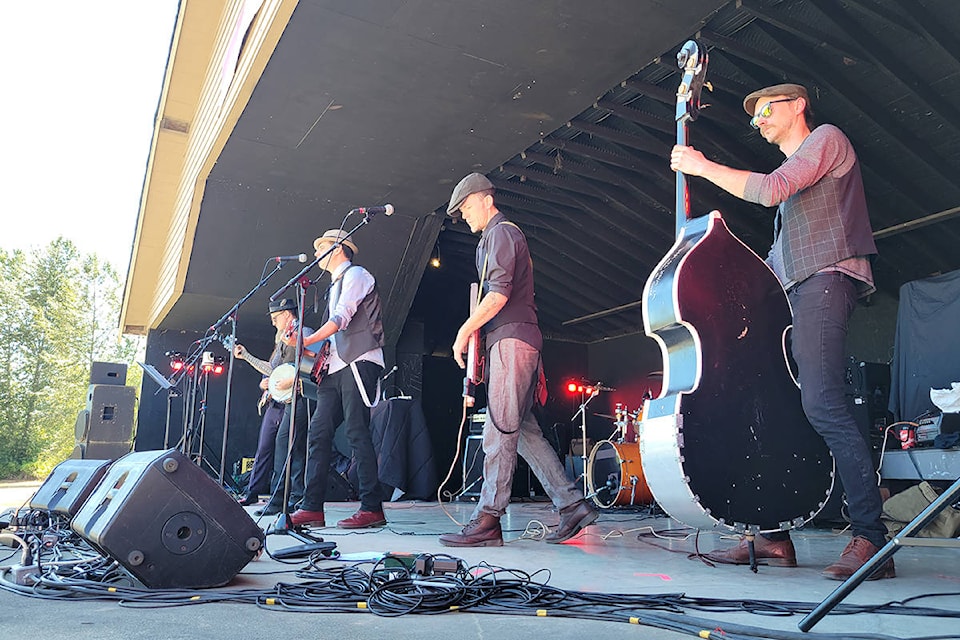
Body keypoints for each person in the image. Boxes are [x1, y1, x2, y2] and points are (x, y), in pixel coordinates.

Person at [669, 83, 892, 580]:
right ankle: (772, 538)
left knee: (823, 403)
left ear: (798, 106)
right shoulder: (799, 190)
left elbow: (770, 189)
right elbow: (775, 263)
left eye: (767, 109)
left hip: (827, 279)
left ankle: (872, 539)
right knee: (780, 406)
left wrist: (702, 167)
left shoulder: (827, 140)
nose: (760, 120)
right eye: (755, 117)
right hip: (797, 288)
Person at [440, 172, 597, 547]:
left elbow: (497, 297)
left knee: (498, 429)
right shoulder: (491, 240)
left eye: (466, 207)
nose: (465, 216)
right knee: (523, 432)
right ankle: (572, 504)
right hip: (510, 341)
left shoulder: (502, 234)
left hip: (513, 342)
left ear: (484, 199)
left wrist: (463, 332)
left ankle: (488, 518)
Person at [285, 229, 387, 529]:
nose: (316, 253)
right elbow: (332, 332)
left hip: (359, 361)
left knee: (357, 431)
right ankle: (312, 507)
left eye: (321, 248)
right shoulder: (331, 286)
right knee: (318, 432)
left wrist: (308, 339)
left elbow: (342, 317)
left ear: (339, 249)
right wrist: (305, 344)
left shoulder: (356, 275)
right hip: (334, 367)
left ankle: (372, 508)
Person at [233, 298, 311, 517]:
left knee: (292, 448)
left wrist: (291, 380)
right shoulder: (283, 341)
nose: (274, 323)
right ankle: (272, 498)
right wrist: (249, 359)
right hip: (279, 401)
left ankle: (292, 499)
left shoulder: (304, 333)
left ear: (287, 314)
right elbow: (273, 369)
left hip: (299, 398)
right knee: (272, 446)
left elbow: (310, 365)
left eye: (276, 318)